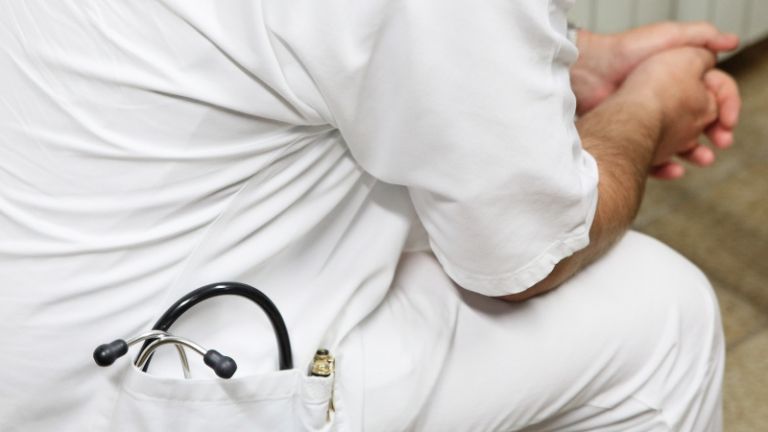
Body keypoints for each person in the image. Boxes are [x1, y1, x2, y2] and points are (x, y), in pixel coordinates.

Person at [0, 0, 741, 431]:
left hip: (35, 333)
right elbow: (525, 258)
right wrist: (648, 110)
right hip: (126, 395)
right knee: (662, 311)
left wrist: (565, 57)